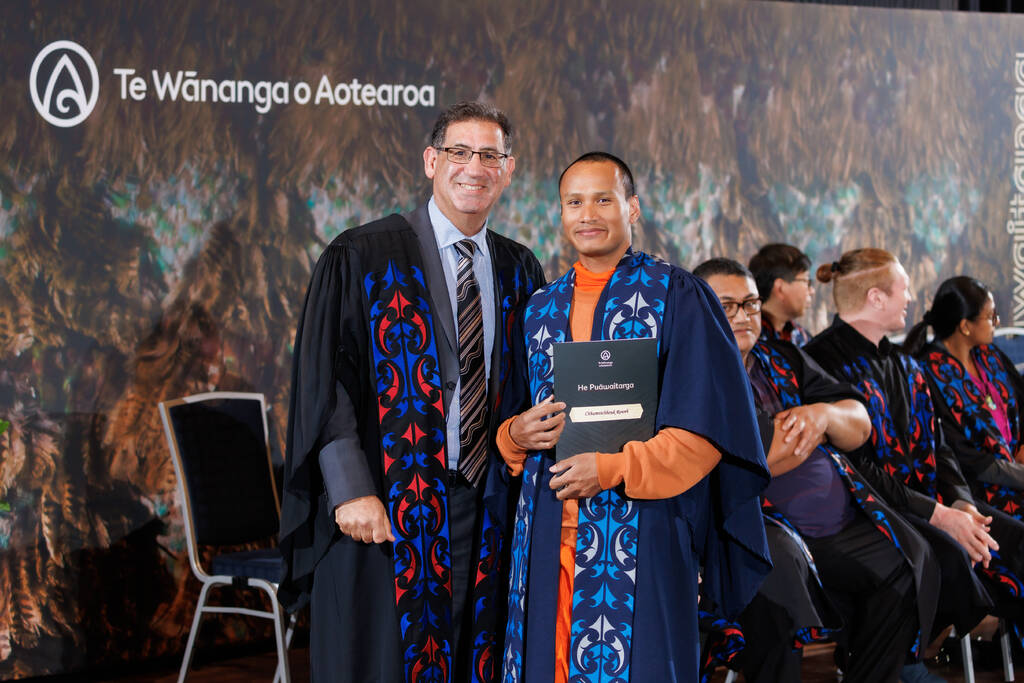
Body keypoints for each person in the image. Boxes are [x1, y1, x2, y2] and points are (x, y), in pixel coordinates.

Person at [277, 101, 546, 683]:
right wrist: (350, 490)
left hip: (486, 501)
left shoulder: (520, 268)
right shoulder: (363, 255)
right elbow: (329, 384)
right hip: (387, 502)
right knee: (381, 662)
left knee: (476, 652)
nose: (474, 167)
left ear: (508, 169)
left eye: (490, 155)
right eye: (459, 152)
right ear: (431, 161)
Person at [497, 153, 771, 682]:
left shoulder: (678, 296)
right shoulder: (539, 310)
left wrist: (610, 469)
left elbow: (705, 429)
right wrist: (514, 435)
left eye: (604, 199)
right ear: (560, 214)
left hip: (642, 526)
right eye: (574, 202)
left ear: (633, 208)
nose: (588, 214)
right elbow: (509, 421)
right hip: (547, 527)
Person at [697, 258, 937, 683]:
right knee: (781, 591)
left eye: (750, 304)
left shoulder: (783, 358)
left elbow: (860, 423)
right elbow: (763, 454)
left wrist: (823, 415)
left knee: (905, 563)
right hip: (753, 526)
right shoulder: (693, 373)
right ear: (698, 310)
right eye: (727, 305)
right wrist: (818, 431)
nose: (743, 316)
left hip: (833, 524)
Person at [803, 249, 1020, 666]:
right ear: (876, 298)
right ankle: (903, 659)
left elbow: (939, 445)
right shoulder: (820, 361)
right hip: (867, 513)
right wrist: (939, 515)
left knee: (1011, 536)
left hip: (929, 503)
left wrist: (961, 502)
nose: (911, 299)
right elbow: (855, 471)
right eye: (904, 289)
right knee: (951, 557)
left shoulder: (903, 361)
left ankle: (928, 652)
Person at [906, 278, 1024, 521]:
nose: (997, 323)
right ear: (965, 326)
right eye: (990, 317)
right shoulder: (929, 373)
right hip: (976, 490)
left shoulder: (989, 355)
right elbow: (963, 456)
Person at [749, 243, 815, 346]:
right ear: (780, 288)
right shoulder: (749, 336)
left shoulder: (802, 336)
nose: (812, 291)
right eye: (806, 282)